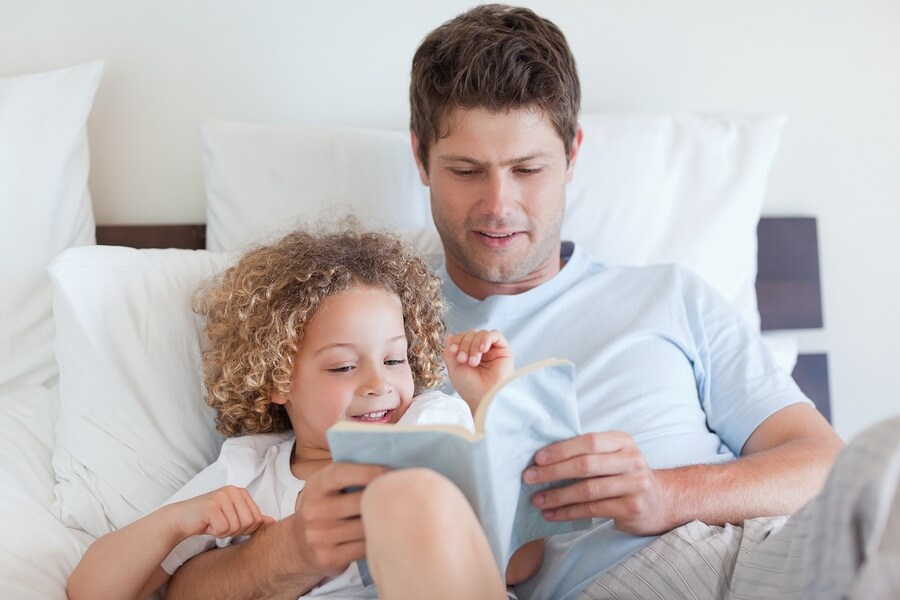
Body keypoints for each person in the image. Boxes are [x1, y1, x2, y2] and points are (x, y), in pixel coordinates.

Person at [168, 4, 898, 600]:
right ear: (419, 158)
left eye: (528, 168)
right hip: (615, 583)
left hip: (766, 554)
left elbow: (821, 462)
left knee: (887, 462)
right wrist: (284, 555)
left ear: (574, 153)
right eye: (465, 170)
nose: (498, 204)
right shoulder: (374, 337)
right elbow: (192, 568)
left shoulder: (669, 294)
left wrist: (667, 494)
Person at [66, 227, 543, 600]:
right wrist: (176, 521)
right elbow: (90, 591)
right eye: (343, 366)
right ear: (276, 378)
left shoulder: (430, 420)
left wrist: (490, 407)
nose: (379, 384)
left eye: (395, 360)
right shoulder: (247, 473)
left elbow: (521, 562)